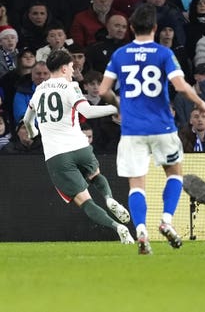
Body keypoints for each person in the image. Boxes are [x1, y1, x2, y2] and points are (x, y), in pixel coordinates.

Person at [98, 3, 205, 255]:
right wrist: (200, 102)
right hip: (162, 126)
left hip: (131, 129)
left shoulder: (120, 54)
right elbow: (180, 86)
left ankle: (141, 231)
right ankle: (167, 221)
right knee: (175, 174)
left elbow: (103, 90)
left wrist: (118, 104)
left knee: (137, 184)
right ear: (156, 28)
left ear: (132, 27)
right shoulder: (163, 53)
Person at [21, 49, 134, 243]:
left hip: (57, 155)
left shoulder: (38, 90)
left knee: (85, 201)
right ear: (64, 68)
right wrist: (115, 107)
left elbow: (27, 120)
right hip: (79, 147)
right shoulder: (70, 87)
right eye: (72, 67)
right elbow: (87, 112)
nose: (73, 71)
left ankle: (118, 228)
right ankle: (108, 198)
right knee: (96, 175)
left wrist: (33, 133)